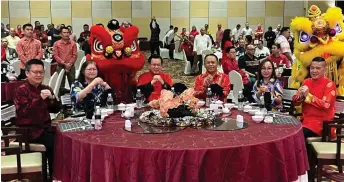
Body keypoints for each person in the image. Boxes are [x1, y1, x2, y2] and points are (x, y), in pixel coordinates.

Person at [14, 59, 61, 178]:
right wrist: (39, 98)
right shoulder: (21, 90)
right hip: (29, 131)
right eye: (35, 72)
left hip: (45, 128)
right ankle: (53, 177)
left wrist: (51, 98)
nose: (39, 75)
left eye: (41, 72)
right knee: (56, 143)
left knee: (65, 137)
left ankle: (57, 175)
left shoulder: (45, 88)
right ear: (27, 73)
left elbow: (56, 109)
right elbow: (24, 112)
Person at [292, 57, 337, 138]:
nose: (314, 71)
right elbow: (295, 102)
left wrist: (308, 96)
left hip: (321, 125)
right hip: (305, 121)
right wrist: (301, 97)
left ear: (324, 70)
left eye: (318, 68)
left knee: (297, 135)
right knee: (287, 131)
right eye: (312, 68)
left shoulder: (330, 84)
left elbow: (326, 105)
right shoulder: (306, 82)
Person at [53, 27, 77, 94]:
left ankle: (73, 100)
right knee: (60, 86)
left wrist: (69, 64)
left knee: (73, 85)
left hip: (71, 66)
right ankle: (61, 101)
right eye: (64, 32)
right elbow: (55, 55)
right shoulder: (56, 43)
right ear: (60, 34)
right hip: (60, 66)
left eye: (67, 32)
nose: (66, 34)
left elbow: (75, 55)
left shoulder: (73, 43)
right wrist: (64, 63)